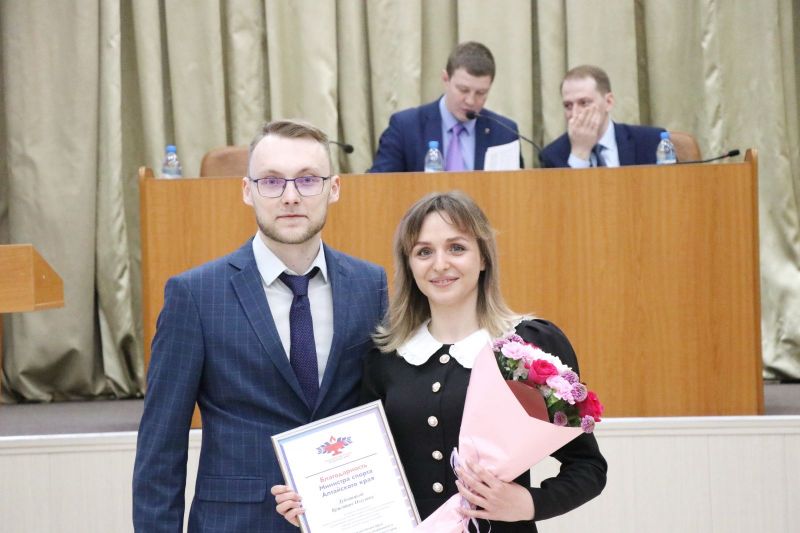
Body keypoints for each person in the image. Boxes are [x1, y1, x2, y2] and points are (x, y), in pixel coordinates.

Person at [273, 191, 607, 531]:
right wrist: (314, 505)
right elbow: (362, 472)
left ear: (483, 258)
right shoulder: (385, 358)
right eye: (424, 252)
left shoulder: (526, 346)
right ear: (409, 265)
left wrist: (528, 503)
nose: (440, 264)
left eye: (457, 248)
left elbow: (588, 468)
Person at [132, 119, 388, 532]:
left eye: (308, 180)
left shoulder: (369, 284)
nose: (290, 196)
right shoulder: (195, 295)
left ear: (334, 188)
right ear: (247, 190)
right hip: (236, 522)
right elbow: (161, 446)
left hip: (347, 520)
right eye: (271, 181)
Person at [369, 41, 521, 172]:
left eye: (480, 93)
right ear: (445, 79)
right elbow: (378, 187)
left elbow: (517, 191)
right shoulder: (406, 127)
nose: (470, 101)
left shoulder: (504, 134)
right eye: (463, 90)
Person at [539, 64, 665, 168]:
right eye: (568, 105)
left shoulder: (651, 141)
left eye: (584, 103)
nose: (575, 113)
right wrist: (579, 154)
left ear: (608, 102)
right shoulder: (552, 156)